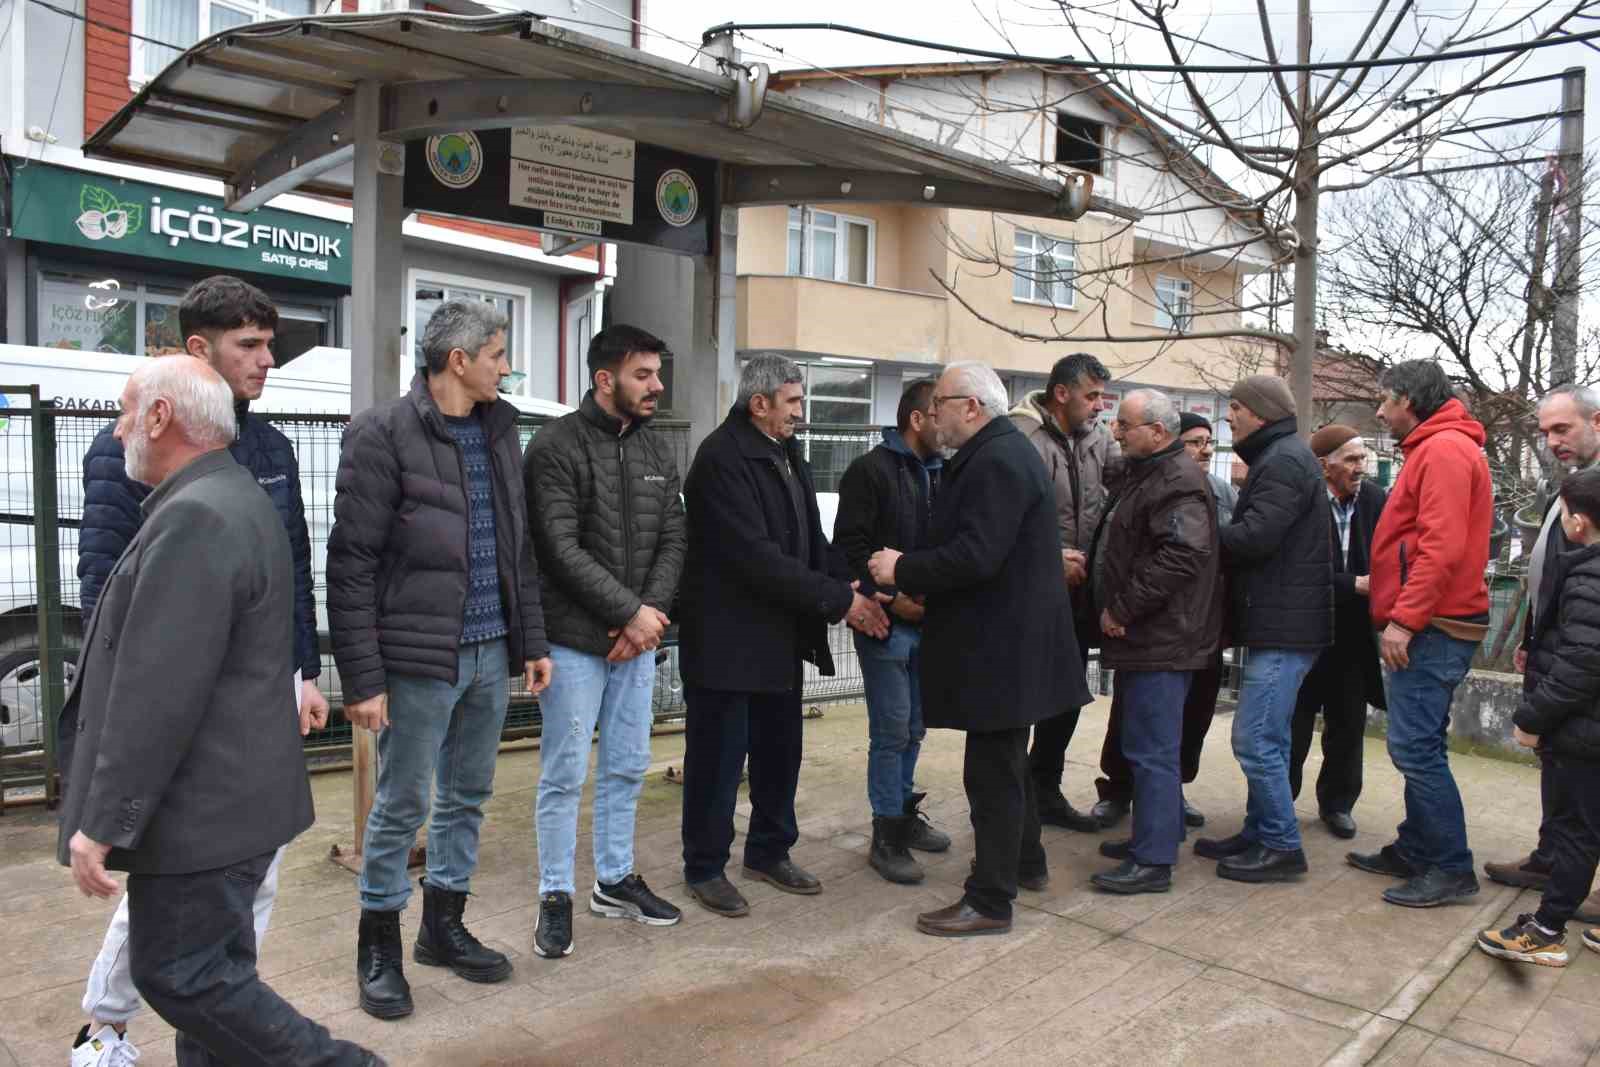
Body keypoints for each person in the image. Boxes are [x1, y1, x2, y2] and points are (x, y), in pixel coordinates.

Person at [59, 357, 379, 1067]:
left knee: (183, 975)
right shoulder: (227, 494)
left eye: (125, 412)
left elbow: (158, 693)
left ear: (160, 417)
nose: (118, 430)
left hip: (203, 816)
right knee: (216, 978)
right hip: (233, 806)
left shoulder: (197, 515)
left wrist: (102, 823)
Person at [328, 299, 552, 1018]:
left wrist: (531, 642)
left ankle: (443, 928)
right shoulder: (381, 433)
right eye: (497, 354)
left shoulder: (499, 429)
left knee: (468, 797)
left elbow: (517, 547)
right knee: (401, 804)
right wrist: (363, 680)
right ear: (458, 361)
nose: (505, 368)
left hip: (491, 652)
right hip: (420, 659)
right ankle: (378, 948)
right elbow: (351, 564)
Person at [868, 362, 1086, 937]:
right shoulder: (999, 453)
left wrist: (903, 568)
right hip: (1011, 647)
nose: (932, 413)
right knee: (1008, 766)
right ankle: (1026, 862)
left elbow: (976, 555)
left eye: (939, 402)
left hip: (1002, 652)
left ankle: (989, 900)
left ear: (971, 407)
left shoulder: (996, 461)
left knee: (991, 776)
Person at [676, 353, 890, 918]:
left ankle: (770, 851)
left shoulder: (786, 452)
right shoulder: (722, 460)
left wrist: (855, 583)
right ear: (759, 403)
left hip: (778, 638)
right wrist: (841, 602)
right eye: (793, 402)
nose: (801, 412)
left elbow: (810, 541)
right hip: (727, 643)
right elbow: (756, 559)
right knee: (718, 763)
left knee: (780, 753)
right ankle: (705, 867)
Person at [524, 324, 685, 959]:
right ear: (604, 378)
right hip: (573, 642)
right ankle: (555, 894)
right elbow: (557, 548)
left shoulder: (656, 448)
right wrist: (629, 614)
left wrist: (647, 618)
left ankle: (614, 880)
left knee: (626, 764)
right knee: (564, 773)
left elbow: (674, 537)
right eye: (643, 375)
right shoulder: (555, 446)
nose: (656, 385)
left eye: (656, 373)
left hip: (636, 642)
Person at [1349, 360, 1492, 908]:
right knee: (1418, 743)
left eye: (1384, 400)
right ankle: (1417, 848)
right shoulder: (1438, 446)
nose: (1380, 411)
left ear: (1407, 399)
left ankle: (1451, 868)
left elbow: (1441, 547)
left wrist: (1405, 620)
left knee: (1416, 748)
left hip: (1434, 625)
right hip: (1433, 620)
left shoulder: (1444, 450)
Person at [1194, 375, 1332, 883]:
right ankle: (1259, 831)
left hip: (1285, 628)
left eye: (1235, 407)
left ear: (1262, 412)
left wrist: (1198, 532)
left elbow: (1255, 537)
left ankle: (1281, 845)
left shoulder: (1283, 461)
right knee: (1268, 738)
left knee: (1255, 739)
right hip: (1281, 622)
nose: (1228, 416)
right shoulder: (1280, 456)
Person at [1087, 390, 1223, 895]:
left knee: (1153, 751)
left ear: (1158, 432)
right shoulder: (1150, 472)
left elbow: (1182, 554)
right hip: (1152, 638)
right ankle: (1152, 836)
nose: (1116, 432)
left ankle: (1153, 860)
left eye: (1125, 425)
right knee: (1144, 746)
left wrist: (1123, 608)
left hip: (1162, 641)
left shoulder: (1176, 480)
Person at [1483, 385, 1600, 925]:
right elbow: (1551, 573)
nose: (1552, 441)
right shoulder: (1571, 484)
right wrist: (1533, 639)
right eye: (1545, 431)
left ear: (1596, 422)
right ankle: (1552, 860)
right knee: (1559, 765)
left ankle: (1572, 882)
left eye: (1562, 428)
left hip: (1584, 659)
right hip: (1559, 646)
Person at [833, 378, 951, 884]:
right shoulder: (870, 471)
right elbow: (849, 548)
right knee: (892, 730)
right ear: (917, 419)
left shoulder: (944, 473)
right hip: (886, 624)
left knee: (916, 725)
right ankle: (886, 833)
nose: (948, 423)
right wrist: (891, 598)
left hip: (929, 624)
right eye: (939, 412)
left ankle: (903, 811)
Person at [1007, 353, 1118, 832]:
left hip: (1078, 594)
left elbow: (1125, 484)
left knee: (1069, 694)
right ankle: (1009, 802)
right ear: (1061, 393)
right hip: (1027, 593)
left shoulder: (1098, 437)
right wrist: (1050, 558)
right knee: (1023, 698)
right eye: (1091, 396)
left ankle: (1044, 788)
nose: (1099, 406)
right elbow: (1001, 519)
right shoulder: (1020, 437)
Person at [1288, 425, 1388, 840]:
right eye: (1351, 459)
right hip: (1305, 632)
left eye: (1363, 458)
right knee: (1293, 725)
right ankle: (1279, 803)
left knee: (1347, 725)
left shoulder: (1376, 500)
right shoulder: (1302, 500)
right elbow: (1293, 570)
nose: (1361, 467)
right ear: (1323, 465)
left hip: (1353, 636)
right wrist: (1352, 584)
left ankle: (1338, 804)